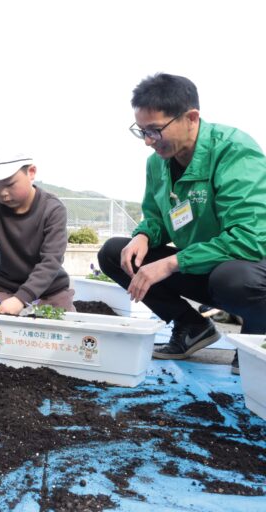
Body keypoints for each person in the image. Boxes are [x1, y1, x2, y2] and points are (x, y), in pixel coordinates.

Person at [97, 73, 266, 374]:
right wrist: (144, 236)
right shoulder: (158, 162)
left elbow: (248, 238)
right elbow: (158, 217)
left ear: (191, 117)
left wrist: (171, 263)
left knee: (233, 279)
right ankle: (191, 326)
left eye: (156, 130)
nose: (148, 141)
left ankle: (257, 336)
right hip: (203, 265)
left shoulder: (233, 150)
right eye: (142, 131)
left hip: (248, 266)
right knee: (115, 253)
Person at [0, 148, 74, 314]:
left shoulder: (52, 209)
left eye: (10, 184)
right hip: (6, 290)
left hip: (50, 290)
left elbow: (51, 261)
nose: (3, 193)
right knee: (1, 335)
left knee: (63, 333)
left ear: (31, 172)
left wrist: (22, 298)